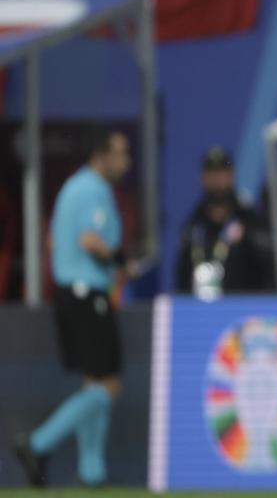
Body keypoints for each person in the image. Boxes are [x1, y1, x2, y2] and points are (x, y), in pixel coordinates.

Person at [13, 128, 131, 487]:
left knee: (94, 382)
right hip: (87, 293)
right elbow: (89, 238)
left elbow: (52, 240)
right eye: (121, 153)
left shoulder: (72, 187)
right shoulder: (93, 189)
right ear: (101, 155)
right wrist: (120, 260)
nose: (126, 162)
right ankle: (37, 443)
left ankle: (92, 473)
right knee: (108, 388)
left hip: (69, 292)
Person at [174, 146, 271, 299]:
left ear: (231, 176)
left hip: (242, 311)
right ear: (203, 178)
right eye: (212, 173)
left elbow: (267, 271)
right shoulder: (193, 226)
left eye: (222, 173)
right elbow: (181, 278)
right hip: (201, 311)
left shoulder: (249, 221)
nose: (217, 180)